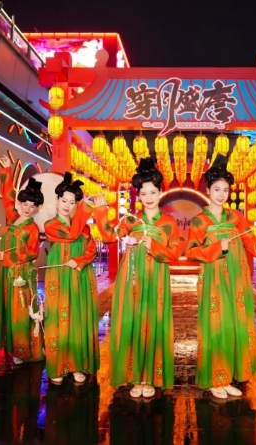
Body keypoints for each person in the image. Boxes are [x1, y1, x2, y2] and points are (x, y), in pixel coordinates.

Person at [185, 155, 256, 400]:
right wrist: (217, 247)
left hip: (236, 279)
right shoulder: (199, 221)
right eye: (217, 189)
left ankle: (229, 376)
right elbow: (191, 252)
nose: (221, 194)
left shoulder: (236, 217)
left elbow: (251, 243)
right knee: (216, 324)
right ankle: (216, 378)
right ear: (207, 190)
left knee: (234, 323)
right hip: (213, 280)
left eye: (225, 190)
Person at [91, 158, 180, 398]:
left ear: (160, 192)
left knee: (152, 321)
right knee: (132, 320)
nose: (148, 197)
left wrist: (154, 246)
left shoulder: (168, 223)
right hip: (131, 279)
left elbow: (174, 253)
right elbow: (109, 236)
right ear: (138, 195)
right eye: (143, 193)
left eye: (153, 192)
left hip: (156, 280)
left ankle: (149, 377)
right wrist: (101, 210)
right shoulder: (130, 220)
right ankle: (133, 376)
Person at [43, 172, 100, 385]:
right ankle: (58, 365)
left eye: (72, 202)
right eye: (64, 200)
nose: (67, 205)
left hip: (80, 275)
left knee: (78, 316)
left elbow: (92, 249)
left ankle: (77, 364)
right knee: (57, 316)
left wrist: (80, 260)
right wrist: (86, 208)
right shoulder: (51, 225)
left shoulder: (84, 226)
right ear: (57, 200)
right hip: (59, 277)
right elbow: (70, 235)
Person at [0, 155, 44, 365]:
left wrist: (8, 256)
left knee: (20, 310)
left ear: (37, 208)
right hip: (6, 271)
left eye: (32, 205)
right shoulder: (13, 217)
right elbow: (7, 196)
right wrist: (7, 168)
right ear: (20, 203)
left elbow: (32, 253)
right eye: (25, 203)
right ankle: (11, 344)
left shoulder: (32, 228)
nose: (27, 208)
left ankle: (22, 349)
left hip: (21, 274)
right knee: (8, 308)